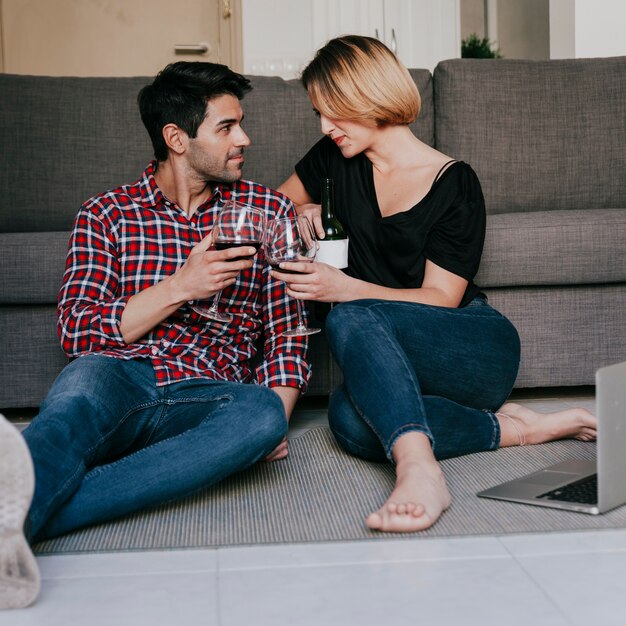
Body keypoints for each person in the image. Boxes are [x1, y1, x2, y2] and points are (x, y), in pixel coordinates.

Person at [0, 61, 310, 609]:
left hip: (208, 393)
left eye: (241, 124)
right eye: (226, 127)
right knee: (74, 401)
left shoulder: (268, 210)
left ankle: (25, 514)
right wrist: (181, 286)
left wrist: (275, 419)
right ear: (177, 139)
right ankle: (26, 509)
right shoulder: (107, 214)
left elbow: (286, 336)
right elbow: (79, 330)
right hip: (118, 375)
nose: (245, 139)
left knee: (261, 415)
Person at [276, 35, 597, 534]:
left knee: (352, 311)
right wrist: (300, 208)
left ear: (369, 96)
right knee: (347, 419)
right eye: (319, 113)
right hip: (391, 355)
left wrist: (345, 289)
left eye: (333, 112)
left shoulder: (454, 183)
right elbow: (266, 213)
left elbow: (440, 299)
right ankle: (517, 428)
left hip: (469, 344)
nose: (325, 126)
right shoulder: (331, 159)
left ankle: (418, 471)